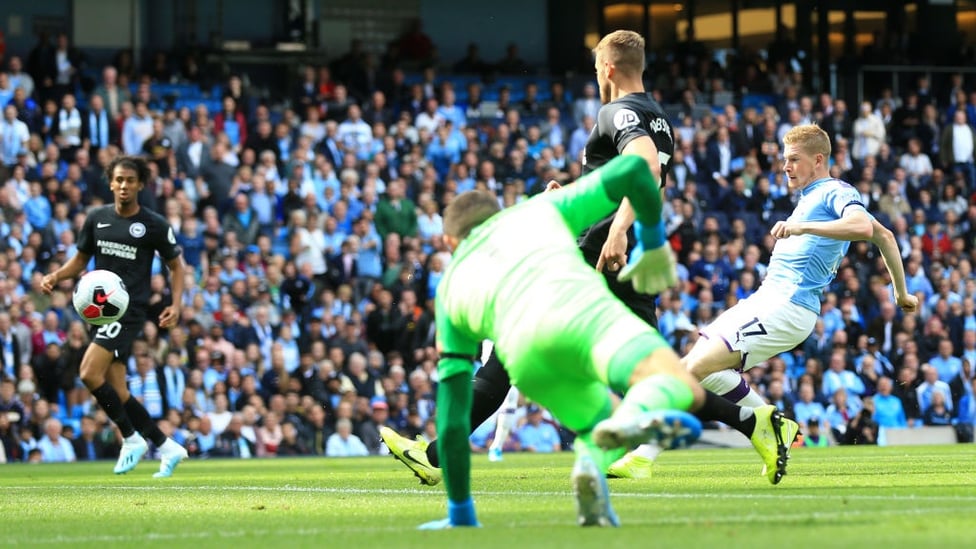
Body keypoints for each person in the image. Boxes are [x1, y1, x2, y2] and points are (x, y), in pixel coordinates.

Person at [410, 155, 795, 529]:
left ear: (447, 240)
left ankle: (601, 455)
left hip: (527, 357)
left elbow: (452, 410)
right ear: (497, 214)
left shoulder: (449, 289)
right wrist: (654, 242)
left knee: (594, 422)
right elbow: (637, 169)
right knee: (673, 383)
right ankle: (632, 420)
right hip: (583, 312)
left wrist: (459, 510)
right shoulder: (537, 210)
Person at [383, 29, 696, 482]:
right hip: (617, 253)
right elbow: (635, 178)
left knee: (511, 351)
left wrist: (619, 233)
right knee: (652, 362)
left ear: (607, 68)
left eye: (595, 69)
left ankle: (437, 458)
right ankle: (748, 422)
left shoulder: (618, 111)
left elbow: (644, 169)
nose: (596, 76)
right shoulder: (658, 116)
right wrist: (572, 194)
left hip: (598, 253)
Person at [681, 124, 918, 420]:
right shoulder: (809, 197)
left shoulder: (835, 190)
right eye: (784, 160)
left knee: (691, 370)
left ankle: (640, 455)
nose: (785, 167)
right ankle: (772, 424)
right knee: (693, 366)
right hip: (767, 298)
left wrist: (801, 227)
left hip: (789, 305)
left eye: (793, 159)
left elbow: (862, 227)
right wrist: (901, 292)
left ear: (818, 160)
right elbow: (885, 237)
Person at [41, 155, 189, 478]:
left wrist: (176, 304)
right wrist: (56, 276)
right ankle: (166, 446)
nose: (123, 186)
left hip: (129, 311)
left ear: (140, 185)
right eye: (119, 180)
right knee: (118, 390)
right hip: (102, 315)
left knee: (89, 372)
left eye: (130, 181)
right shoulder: (97, 219)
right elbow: (79, 262)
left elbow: (177, 266)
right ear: (110, 182)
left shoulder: (154, 225)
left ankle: (131, 438)